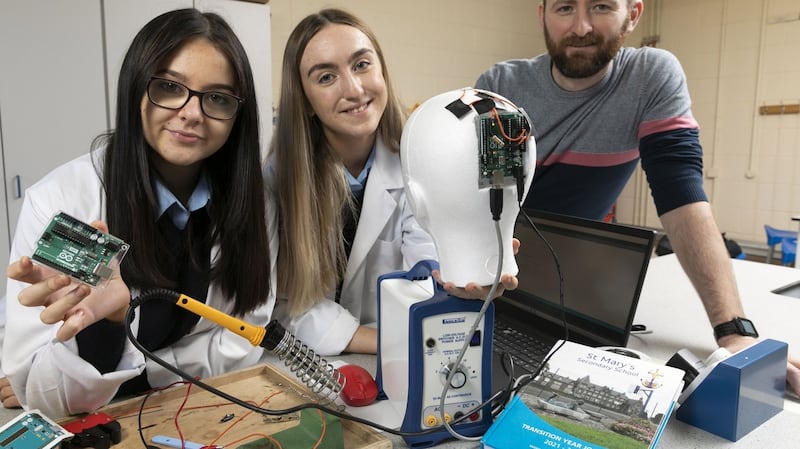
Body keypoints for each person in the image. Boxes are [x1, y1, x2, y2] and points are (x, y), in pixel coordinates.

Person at [0, 8, 362, 419]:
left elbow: (244, 338)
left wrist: (134, 369)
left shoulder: (256, 203)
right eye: (170, 87)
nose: (192, 112)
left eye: (218, 98)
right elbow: (39, 392)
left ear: (236, 115)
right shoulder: (64, 204)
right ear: (136, 87)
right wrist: (110, 324)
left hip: (198, 409)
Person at [474, 0, 800, 395]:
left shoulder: (648, 76)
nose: (580, 27)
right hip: (492, 290)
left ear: (633, 15)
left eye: (600, 7)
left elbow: (682, 197)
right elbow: (474, 206)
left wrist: (734, 331)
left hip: (570, 299)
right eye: (564, 8)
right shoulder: (501, 86)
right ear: (542, 14)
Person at [266, 8, 519, 354]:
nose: (354, 90)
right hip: (311, 357)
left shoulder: (420, 164)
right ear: (305, 101)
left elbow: (428, 261)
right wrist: (389, 342)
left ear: (382, 71)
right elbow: (283, 305)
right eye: (326, 77)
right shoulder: (276, 181)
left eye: (361, 65)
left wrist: (460, 279)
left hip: (399, 352)